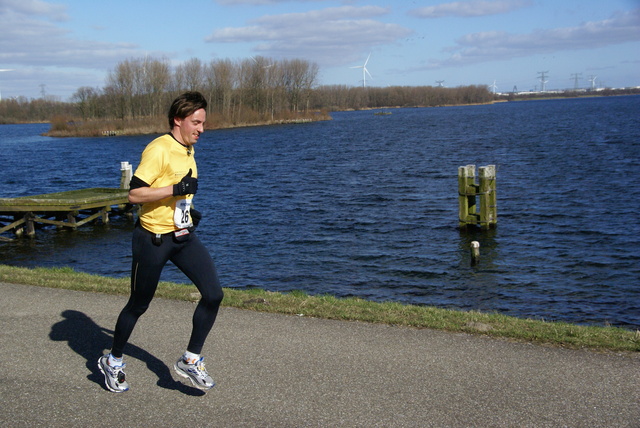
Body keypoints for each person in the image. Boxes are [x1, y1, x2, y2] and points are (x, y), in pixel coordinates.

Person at [98, 91, 224, 393]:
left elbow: (179, 192)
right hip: (152, 240)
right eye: (196, 122)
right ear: (177, 120)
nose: (201, 129)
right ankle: (112, 361)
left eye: (203, 123)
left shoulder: (188, 148)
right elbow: (135, 194)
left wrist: (188, 211)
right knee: (138, 305)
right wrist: (174, 188)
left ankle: (190, 360)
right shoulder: (159, 149)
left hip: (181, 236)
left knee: (213, 294)